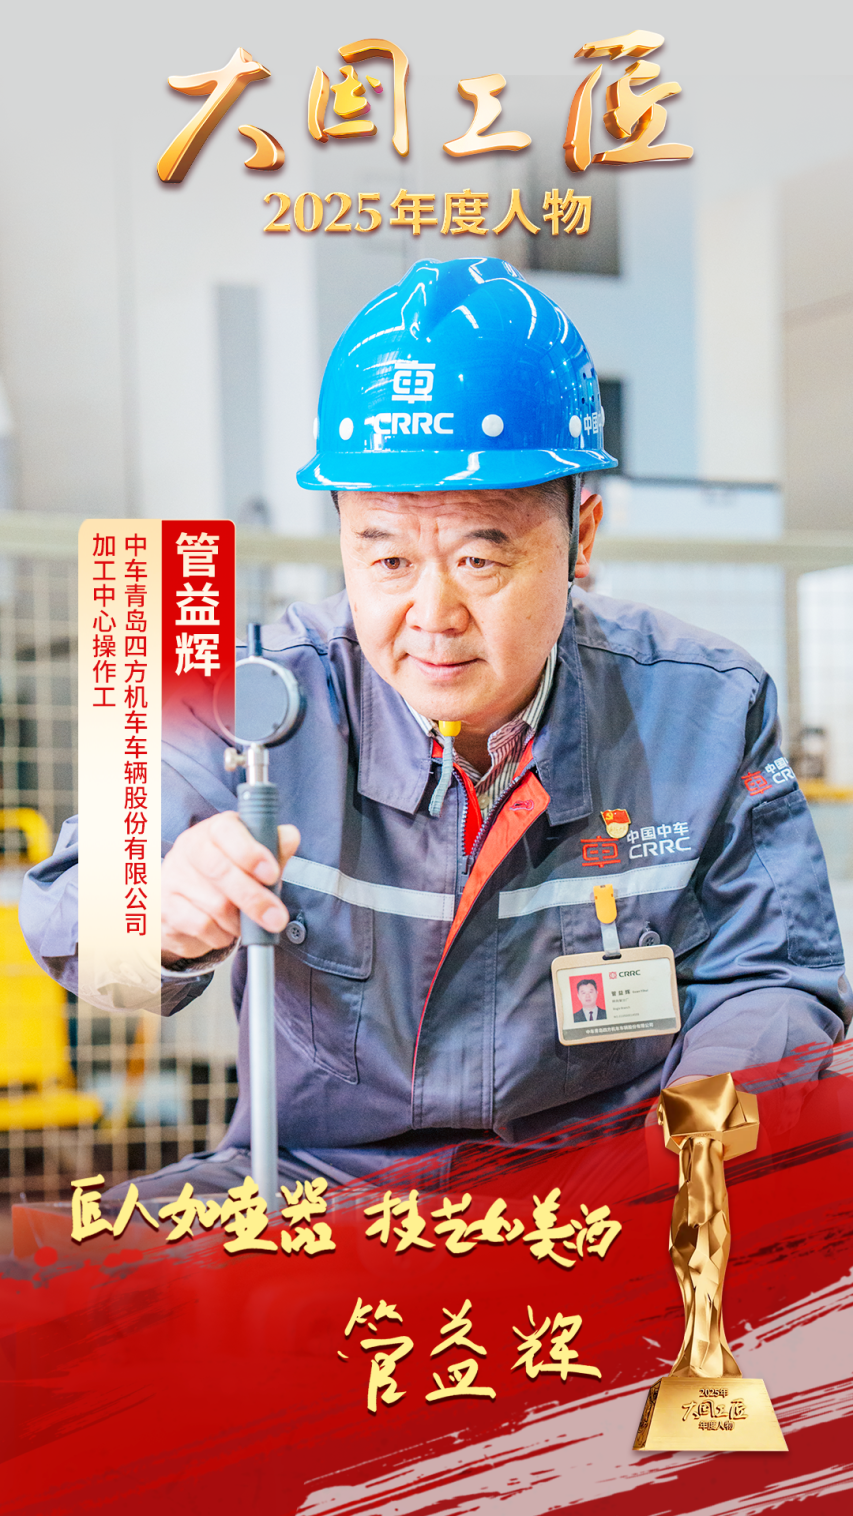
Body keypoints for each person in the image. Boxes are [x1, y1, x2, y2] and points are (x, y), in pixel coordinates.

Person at [20, 258, 851, 1201]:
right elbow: (71, 910)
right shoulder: (239, 693)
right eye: (386, 559)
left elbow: (771, 976)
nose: (430, 614)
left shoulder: (704, 707)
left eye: (478, 559)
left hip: (607, 1194)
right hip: (317, 1196)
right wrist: (154, 916)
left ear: (581, 536)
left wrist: (693, 1153)